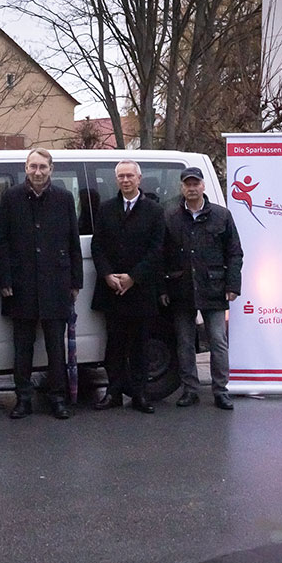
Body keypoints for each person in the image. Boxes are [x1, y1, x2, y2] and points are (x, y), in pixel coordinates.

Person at [0, 148, 82, 420]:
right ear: (26, 168)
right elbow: (1, 243)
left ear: (51, 169)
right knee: (22, 348)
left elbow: (73, 242)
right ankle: (23, 398)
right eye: (33, 166)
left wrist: (76, 281)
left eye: (43, 167)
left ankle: (57, 398)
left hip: (57, 283)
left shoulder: (64, 199)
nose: (38, 172)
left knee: (56, 347)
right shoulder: (11, 197)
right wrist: (4, 280)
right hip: (21, 286)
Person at [162, 166, 243, 410]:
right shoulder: (170, 216)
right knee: (185, 342)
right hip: (181, 287)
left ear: (203, 186)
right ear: (182, 187)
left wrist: (233, 285)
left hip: (215, 287)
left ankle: (221, 390)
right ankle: (190, 389)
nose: (192, 187)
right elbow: (162, 255)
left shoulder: (222, 215)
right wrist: (163, 289)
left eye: (195, 183)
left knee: (218, 341)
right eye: (187, 184)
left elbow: (235, 253)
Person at [90, 160, 165, 413]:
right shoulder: (106, 209)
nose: (125, 180)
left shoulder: (154, 211)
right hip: (112, 290)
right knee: (115, 345)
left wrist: (133, 277)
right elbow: (97, 246)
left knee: (141, 346)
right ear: (116, 180)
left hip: (140, 289)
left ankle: (140, 395)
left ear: (139, 179)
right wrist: (108, 274)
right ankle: (113, 392)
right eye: (121, 176)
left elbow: (157, 250)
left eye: (129, 176)